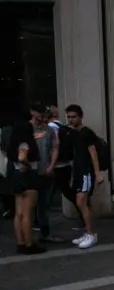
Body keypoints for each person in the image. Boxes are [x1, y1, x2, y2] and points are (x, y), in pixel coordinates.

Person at [67, 104, 103, 249]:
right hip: (78, 172)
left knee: (81, 201)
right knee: (84, 202)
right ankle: (88, 232)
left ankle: (91, 233)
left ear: (80, 117)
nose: (71, 120)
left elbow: (93, 153)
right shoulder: (75, 134)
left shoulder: (86, 132)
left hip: (86, 172)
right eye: (69, 117)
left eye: (73, 117)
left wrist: (97, 173)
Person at [9, 120, 45, 254]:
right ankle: (29, 244)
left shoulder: (13, 144)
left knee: (18, 213)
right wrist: (26, 164)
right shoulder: (25, 143)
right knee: (27, 214)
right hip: (29, 178)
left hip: (17, 178)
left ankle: (21, 243)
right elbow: (22, 155)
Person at [30, 104, 63, 243]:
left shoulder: (49, 129)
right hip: (31, 172)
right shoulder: (27, 128)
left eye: (43, 113)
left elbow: (55, 147)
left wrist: (51, 165)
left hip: (45, 170)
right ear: (32, 112)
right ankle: (29, 236)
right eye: (39, 113)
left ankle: (44, 233)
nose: (42, 116)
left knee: (44, 204)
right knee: (30, 205)